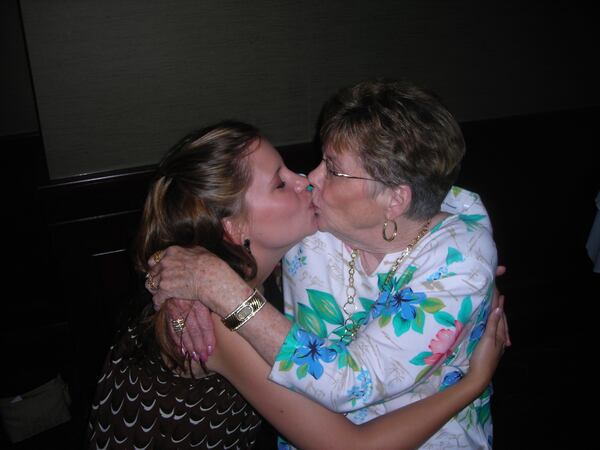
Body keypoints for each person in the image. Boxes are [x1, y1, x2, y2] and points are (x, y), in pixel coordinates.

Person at [88, 120, 508, 450]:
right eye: (280, 182)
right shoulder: (218, 320)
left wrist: (467, 276)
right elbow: (349, 446)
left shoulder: (254, 266)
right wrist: (473, 384)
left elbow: (415, 218)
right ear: (233, 228)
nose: (306, 179)